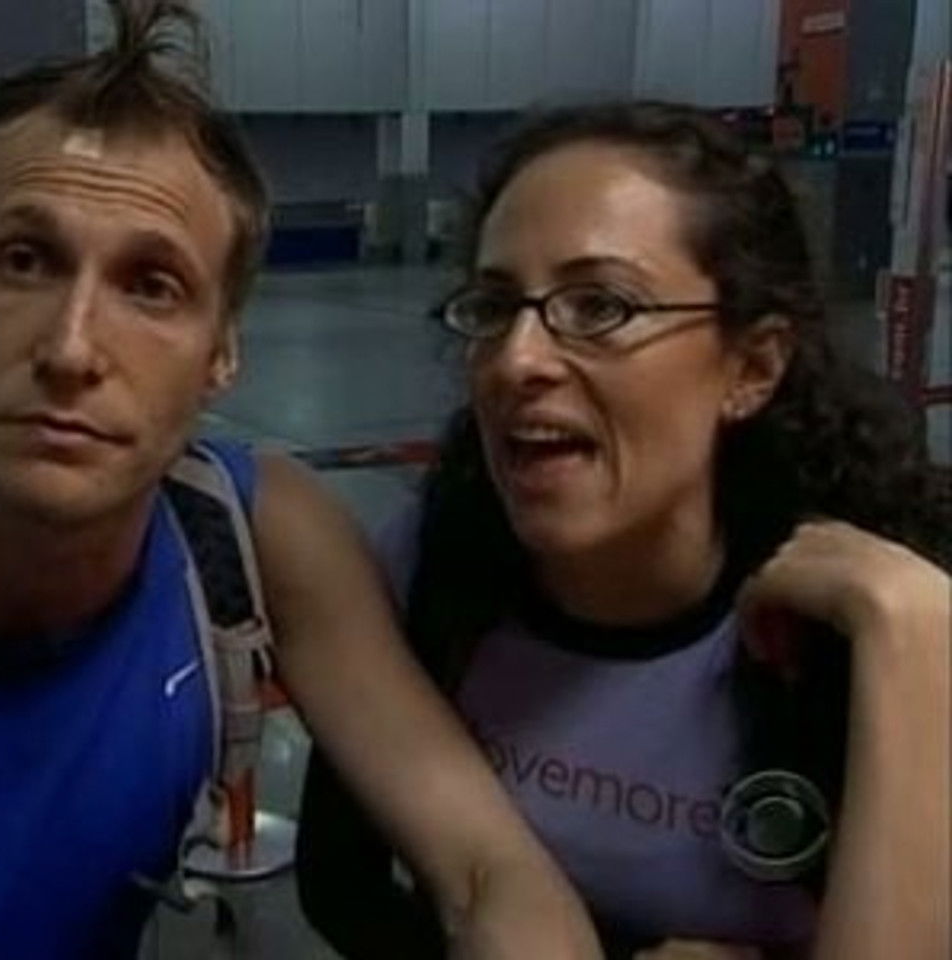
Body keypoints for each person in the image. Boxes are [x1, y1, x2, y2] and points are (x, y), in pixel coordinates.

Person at [0, 3, 602, 958]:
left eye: (152, 286)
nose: (73, 349)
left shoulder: (259, 536)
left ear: (221, 354)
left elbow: (490, 874)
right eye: (25, 261)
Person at [297, 101, 951, 960]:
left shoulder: (873, 619)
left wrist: (916, 633)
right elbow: (343, 886)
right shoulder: (435, 564)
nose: (517, 359)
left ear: (751, 367)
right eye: (495, 307)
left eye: (600, 306)